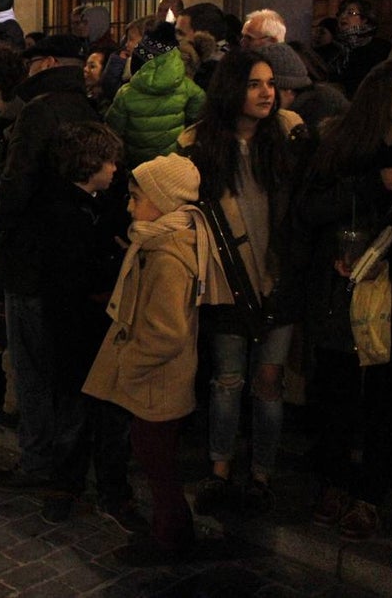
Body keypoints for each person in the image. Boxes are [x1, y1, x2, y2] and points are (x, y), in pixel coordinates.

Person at [298, 57, 392, 541]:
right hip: (339, 292)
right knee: (334, 395)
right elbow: (309, 209)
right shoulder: (340, 144)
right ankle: (332, 483)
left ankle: (370, 495)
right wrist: (369, 185)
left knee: (387, 398)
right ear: (382, 96)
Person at [83, 153, 230, 563]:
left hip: (156, 380)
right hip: (158, 378)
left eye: (136, 197)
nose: (129, 206)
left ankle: (170, 538)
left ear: (164, 200)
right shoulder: (161, 241)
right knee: (156, 459)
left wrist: (130, 364)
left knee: (158, 463)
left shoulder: (167, 254)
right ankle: (172, 532)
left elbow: (167, 331)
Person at [179, 48, 307, 515]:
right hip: (228, 278)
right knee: (227, 379)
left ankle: (262, 474)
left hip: (278, 277)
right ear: (233, 88)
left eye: (270, 83)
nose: (266, 92)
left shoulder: (288, 138)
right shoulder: (201, 144)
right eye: (254, 83)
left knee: (269, 381)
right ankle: (220, 469)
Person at [0, 34, 98, 489]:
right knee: (68, 368)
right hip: (75, 260)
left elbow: (15, 185)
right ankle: (70, 459)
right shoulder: (89, 109)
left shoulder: (37, 111)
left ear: (46, 63)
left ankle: (36, 459)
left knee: (32, 366)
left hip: (31, 260)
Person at [31, 122, 138, 529]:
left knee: (109, 415)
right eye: (110, 161)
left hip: (97, 325)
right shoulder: (61, 210)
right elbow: (77, 269)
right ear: (90, 162)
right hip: (74, 326)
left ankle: (112, 489)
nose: (116, 169)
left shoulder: (101, 203)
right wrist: (111, 261)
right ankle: (68, 484)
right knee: (74, 411)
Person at [105, 17, 205, 168]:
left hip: (138, 166)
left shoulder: (126, 93)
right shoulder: (187, 86)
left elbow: (113, 131)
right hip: (174, 163)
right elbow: (197, 114)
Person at [335, 0, 392, 98]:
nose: (343, 17)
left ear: (364, 19)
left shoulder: (379, 47)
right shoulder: (339, 48)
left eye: (351, 13)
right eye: (340, 13)